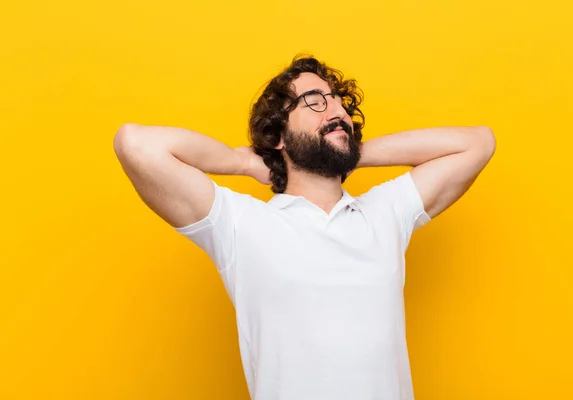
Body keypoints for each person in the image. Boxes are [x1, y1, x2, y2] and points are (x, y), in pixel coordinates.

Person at [113, 55, 496, 400]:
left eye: (338, 102)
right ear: (278, 135)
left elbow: (478, 143)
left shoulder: (384, 212)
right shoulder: (240, 224)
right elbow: (136, 144)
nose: (335, 110)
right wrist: (242, 162)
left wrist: (348, 153)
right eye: (314, 101)